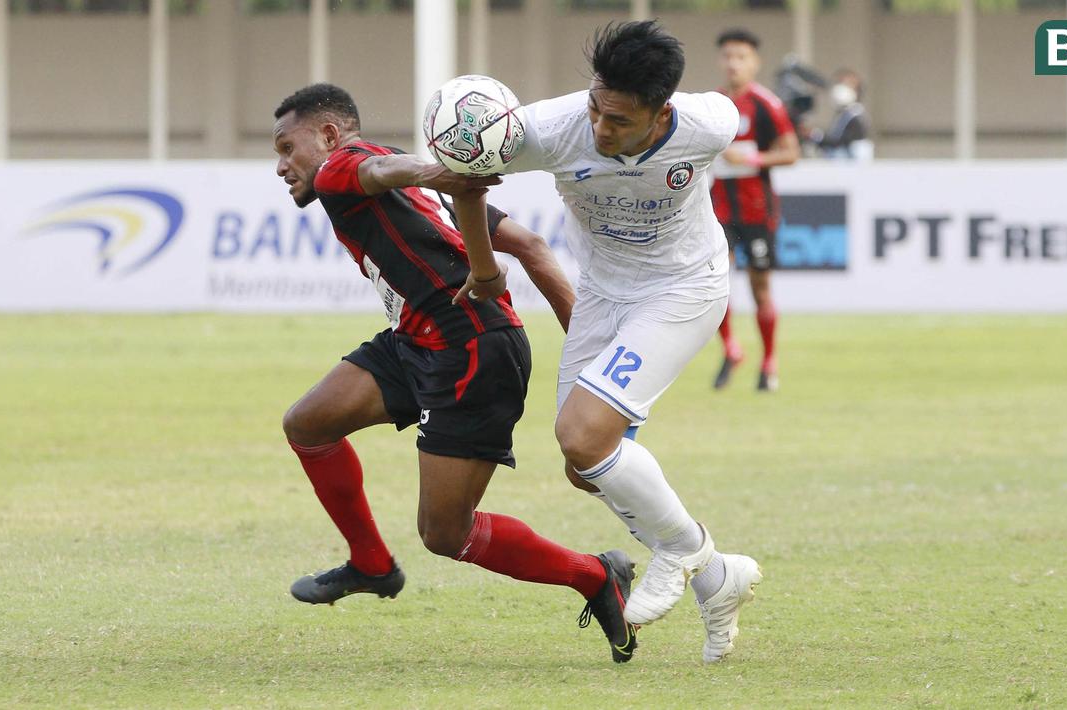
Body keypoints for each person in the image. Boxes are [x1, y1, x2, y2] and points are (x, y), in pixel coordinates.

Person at [273, 84, 638, 663]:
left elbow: (373, 172)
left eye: (287, 147)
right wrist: (589, 356)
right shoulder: (422, 189)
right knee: (308, 424)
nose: (281, 166)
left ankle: (595, 575)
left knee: (446, 534)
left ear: (327, 136)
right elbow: (535, 248)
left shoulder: (344, 168)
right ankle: (371, 565)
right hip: (417, 340)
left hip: (471, 351)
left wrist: (431, 171)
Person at [501, 21, 762, 663]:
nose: (599, 127)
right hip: (602, 295)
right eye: (594, 107)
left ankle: (678, 549)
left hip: (684, 289)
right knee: (584, 468)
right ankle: (715, 575)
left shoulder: (711, 123)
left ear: (661, 113)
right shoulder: (552, 128)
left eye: (617, 119)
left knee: (585, 437)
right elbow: (465, 166)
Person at [709, 28, 800, 393]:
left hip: (757, 210)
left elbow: (791, 152)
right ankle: (731, 348)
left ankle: (768, 360)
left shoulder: (767, 105)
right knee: (714, 284)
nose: (734, 63)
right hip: (717, 210)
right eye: (728, 56)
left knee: (760, 287)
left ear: (755, 62)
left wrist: (753, 157)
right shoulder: (711, 105)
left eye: (741, 56)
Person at [811, 68, 872, 161]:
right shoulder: (843, 114)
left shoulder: (856, 116)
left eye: (846, 84)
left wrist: (815, 135)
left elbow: (840, 141)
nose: (840, 88)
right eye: (839, 83)